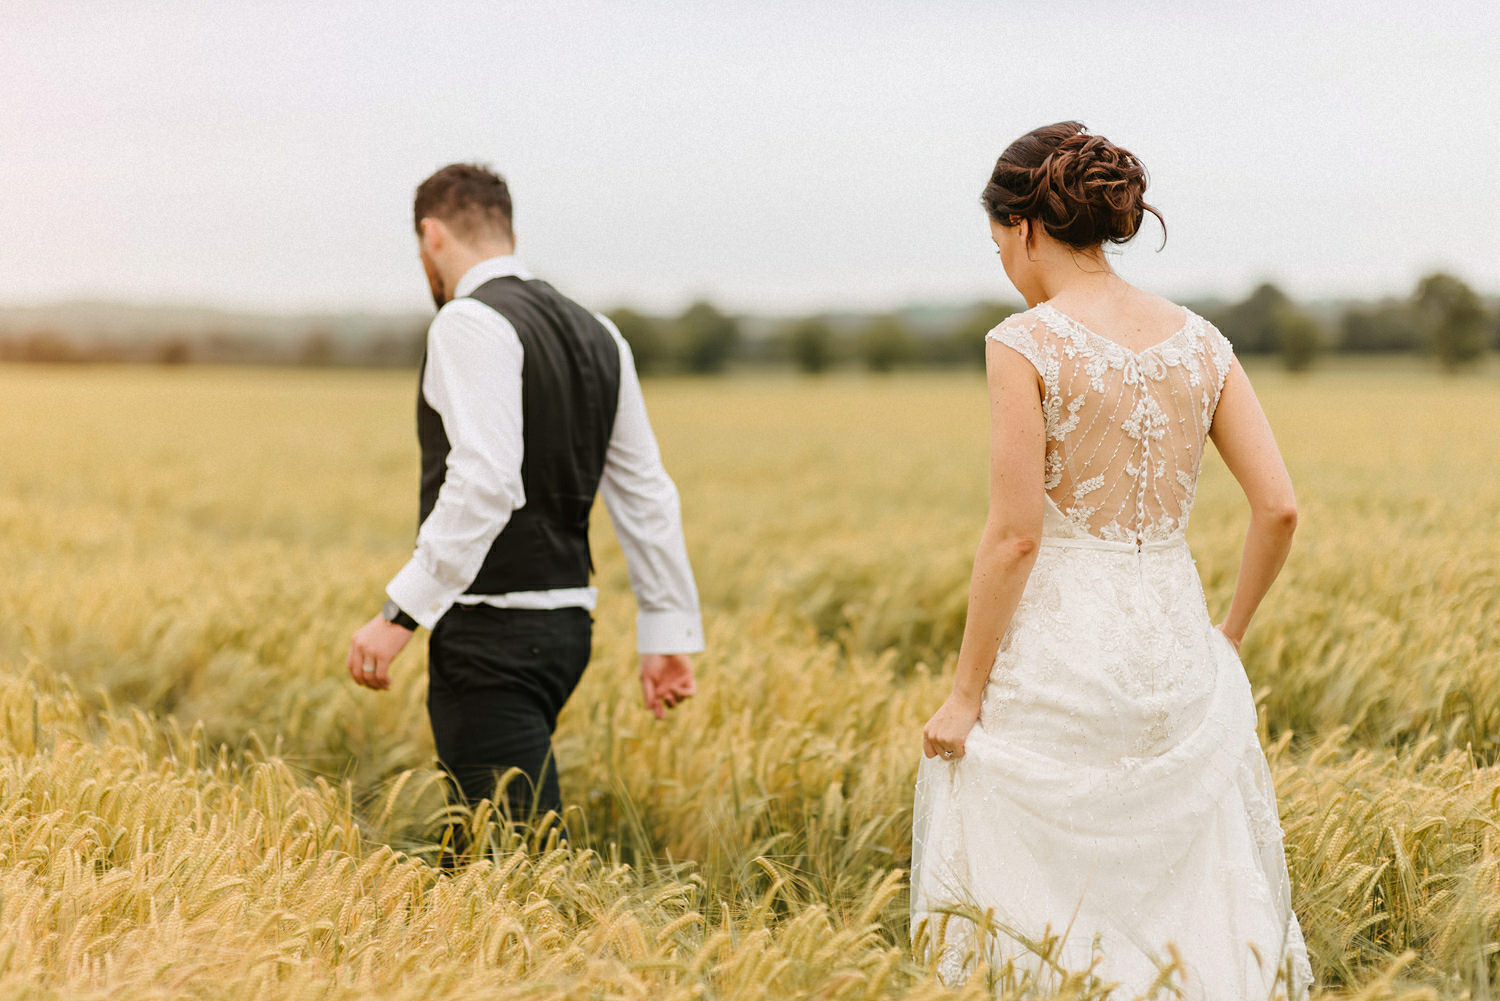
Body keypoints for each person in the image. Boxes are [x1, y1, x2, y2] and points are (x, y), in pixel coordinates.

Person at [909, 123, 1314, 999]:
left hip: (1063, 641)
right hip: (1174, 635)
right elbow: (1279, 506)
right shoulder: (1202, 341)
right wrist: (1229, 634)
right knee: (1182, 875)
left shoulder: (1024, 342)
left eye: (996, 245)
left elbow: (1015, 536)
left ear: (1024, 226)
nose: (1003, 267)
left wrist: (966, 693)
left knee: (1050, 892)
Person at [345, 163, 703, 838]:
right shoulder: (600, 332)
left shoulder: (467, 321)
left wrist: (401, 611)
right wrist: (666, 631)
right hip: (567, 626)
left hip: (491, 635)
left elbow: (486, 479)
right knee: (487, 851)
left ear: (433, 235)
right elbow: (646, 492)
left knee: (515, 869)